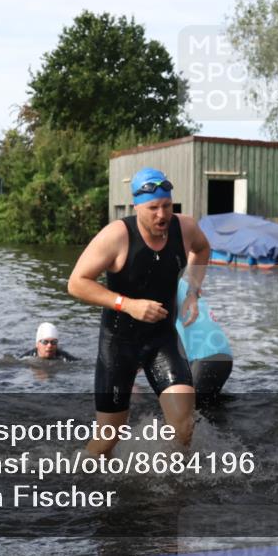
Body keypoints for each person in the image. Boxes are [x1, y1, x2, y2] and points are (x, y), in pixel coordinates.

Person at [67, 167, 210, 457]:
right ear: (137, 207)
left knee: (184, 427)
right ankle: (80, 480)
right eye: (153, 208)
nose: (162, 215)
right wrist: (128, 305)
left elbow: (203, 249)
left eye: (167, 206)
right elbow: (76, 283)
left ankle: (169, 488)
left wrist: (192, 290)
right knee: (108, 440)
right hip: (119, 342)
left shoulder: (185, 228)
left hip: (162, 338)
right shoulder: (116, 236)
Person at [175, 279, 233, 406]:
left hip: (205, 357)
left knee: (186, 414)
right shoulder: (181, 283)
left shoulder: (161, 285)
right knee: (208, 413)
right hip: (222, 355)